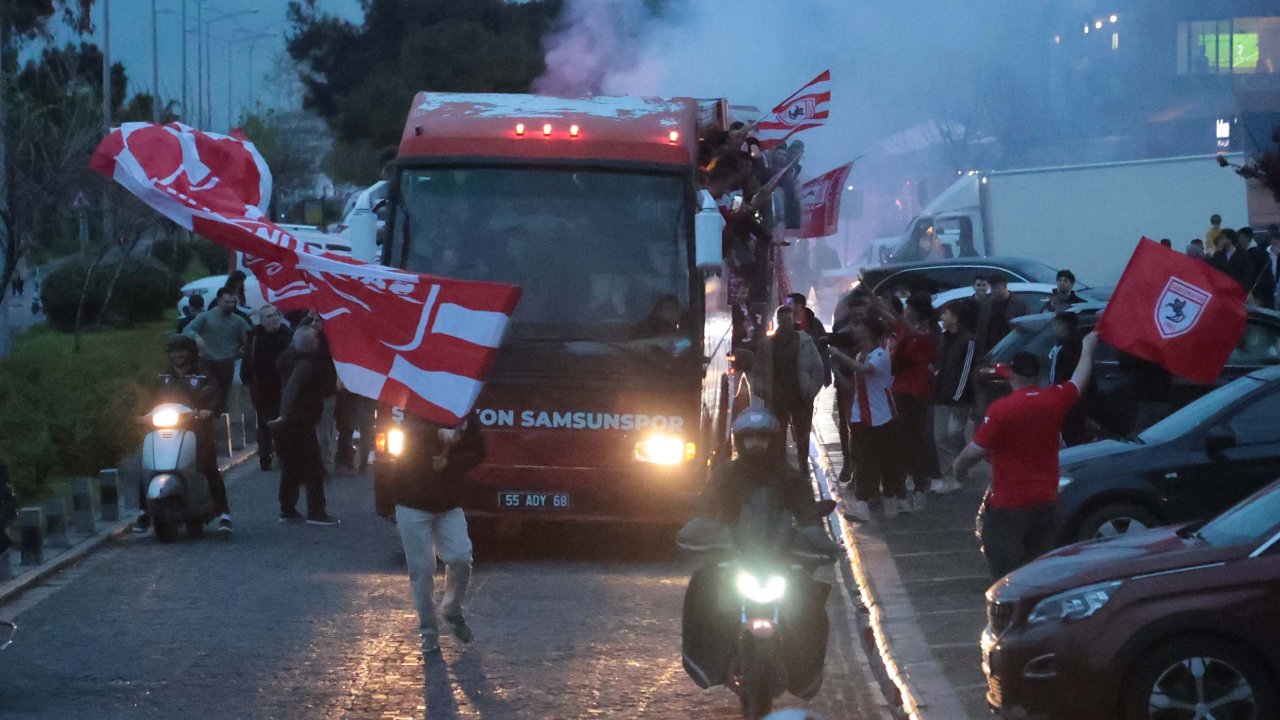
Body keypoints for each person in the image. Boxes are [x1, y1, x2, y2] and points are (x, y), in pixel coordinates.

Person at [952, 332, 1100, 580]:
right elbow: (1078, 380)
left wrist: (958, 469)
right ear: (1039, 376)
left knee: (1004, 573)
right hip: (1046, 501)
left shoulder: (1002, 410)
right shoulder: (1054, 399)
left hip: (1009, 505)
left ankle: (1009, 613)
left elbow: (974, 452)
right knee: (1038, 570)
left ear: (1011, 374)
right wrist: (1088, 347)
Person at [389, 411, 485, 654]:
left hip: (448, 503)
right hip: (411, 501)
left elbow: (478, 452)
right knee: (421, 570)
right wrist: (436, 435)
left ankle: (452, 608)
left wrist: (450, 462)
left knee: (461, 557)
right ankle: (428, 630)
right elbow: (405, 436)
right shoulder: (413, 405)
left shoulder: (463, 409)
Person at [133, 335, 233, 535]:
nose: (178, 355)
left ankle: (224, 514)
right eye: (174, 351)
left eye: (182, 351)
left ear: (191, 353)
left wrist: (207, 410)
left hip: (196, 429)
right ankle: (144, 511)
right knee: (146, 466)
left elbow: (213, 393)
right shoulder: (163, 377)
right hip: (164, 428)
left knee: (208, 466)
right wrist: (142, 413)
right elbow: (151, 397)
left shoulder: (203, 375)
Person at [829, 315, 904, 521]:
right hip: (860, 416)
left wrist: (839, 355)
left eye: (859, 325)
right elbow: (853, 385)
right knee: (862, 461)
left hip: (882, 417)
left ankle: (891, 501)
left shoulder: (880, 355)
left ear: (869, 332)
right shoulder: (860, 355)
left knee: (886, 461)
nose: (855, 329)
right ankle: (862, 507)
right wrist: (836, 369)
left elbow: (865, 371)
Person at [270, 324, 340, 526]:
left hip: (290, 422)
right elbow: (291, 390)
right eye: (316, 340)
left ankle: (287, 509)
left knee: (291, 466)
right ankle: (316, 511)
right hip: (299, 421)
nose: (319, 343)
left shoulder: (288, 358)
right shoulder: (306, 365)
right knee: (313, 467)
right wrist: (284, 415)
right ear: (310, 345)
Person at [759, 305, 826, 473]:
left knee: (803, 434)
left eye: (789, 320)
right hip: (777, 398)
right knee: (778, 434)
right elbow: (759, 370)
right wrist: (761, 390)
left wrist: (811, 391)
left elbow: (818, 368)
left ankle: (803, 465)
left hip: (801, 396)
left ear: (793, 320)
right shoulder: (768, 344)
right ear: (778, 322)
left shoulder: (805, 342)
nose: (786, 324)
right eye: (782, 321)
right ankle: (781, 467)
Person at [892, 292, 938, 510]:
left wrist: (893, 312)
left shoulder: (926, 335)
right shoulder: (904, 332)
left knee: (916, 442)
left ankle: (921, 485)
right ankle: (909, 487)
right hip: (901, 391)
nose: (905, 312)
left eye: (909, 308)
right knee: (902, 441)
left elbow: (909, 328)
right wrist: (875, 300)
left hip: (917, 394)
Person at [930, 300, 977, 495]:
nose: (942, 318)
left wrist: (958, 396)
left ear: (955, 317)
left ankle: (960, 472)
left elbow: (966, 371)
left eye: (946, 314)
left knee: (954, 433)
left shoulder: (968, 341)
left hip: (959, 397)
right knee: (940, 436)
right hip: (942, 394)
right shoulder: (945, 338)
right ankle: (951, 472)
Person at [182, 286, 250, 414]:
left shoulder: (238, 321)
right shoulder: (206, 317)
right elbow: (187, 330)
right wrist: (196, 337)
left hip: (227, 363)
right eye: (227, 302)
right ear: (219, 301)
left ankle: (222, 420)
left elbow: (249, 337)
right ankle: (203, 415)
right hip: (206, 361)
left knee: (224, 395)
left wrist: (244, 348)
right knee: (207, 391)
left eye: (233, 302)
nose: (230, 305)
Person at [241, 304, 292, 471]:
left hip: (284, 387)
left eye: (276, 314)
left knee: (283, 421)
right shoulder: (255, 337)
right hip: (261, 387)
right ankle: (265, 454)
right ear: (262, 321)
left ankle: (284, 454)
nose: (275, 318)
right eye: (269, 316)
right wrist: (246, 377)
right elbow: (248, 358)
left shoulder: (287, 335)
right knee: (264, 423)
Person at [1047, 312, 1088, 446]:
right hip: (1078, 395)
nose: (1053, 328)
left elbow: (1054, 376)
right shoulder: (1081, 344)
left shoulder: (1061, 348)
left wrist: (1053, 393)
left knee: (1068, 433)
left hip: (1064, 397)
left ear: (1063, 326)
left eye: (1055, 325)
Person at [975, 273, 1026, 359]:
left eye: (996, 287)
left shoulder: (1019, 305)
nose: (993, 291)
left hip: (1011, 349)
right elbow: (981, 329)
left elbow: (1024, 328)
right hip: (990, 350)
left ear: (1004, 286)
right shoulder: (986, 305)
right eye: (991, 288)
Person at [786, 292, 831, 387]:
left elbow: (824, 348)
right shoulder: (787, 325)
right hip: (792, 371)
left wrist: (826, 374)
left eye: (789, 304)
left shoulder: (814, 323)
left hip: (812, 370)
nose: (787, 306)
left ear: (799, 305)